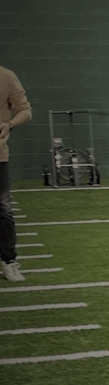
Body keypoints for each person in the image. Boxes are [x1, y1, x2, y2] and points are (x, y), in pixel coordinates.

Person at [1, 66, 32, 282]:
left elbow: (25, 111)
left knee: (3, 209)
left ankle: (9, 261)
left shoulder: (6, 76)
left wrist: (9, 124)